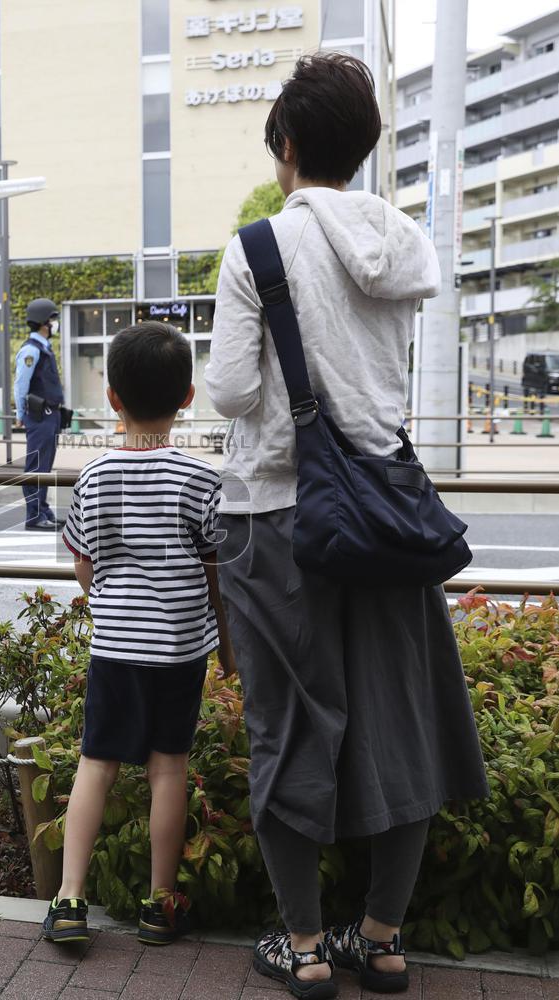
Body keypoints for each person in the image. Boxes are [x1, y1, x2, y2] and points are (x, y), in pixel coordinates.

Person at [205, 53, 489, 1000]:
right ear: (359, 150)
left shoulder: (257, 248)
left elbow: (236, 389)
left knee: (289, 727)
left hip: (280, 519)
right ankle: (381, 936)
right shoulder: (402, 239)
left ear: (285, 146)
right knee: (401, 726)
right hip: (384, 514)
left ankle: (304, 944)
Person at [42, 321, 237, 947]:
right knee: (168, 768)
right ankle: (161, 903)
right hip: (179, 648)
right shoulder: (204, 479)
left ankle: (69, 899)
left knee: (95, 764)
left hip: (116, 646)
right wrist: (228, 653)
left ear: (113, 399)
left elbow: (82, 561)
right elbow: (219, 575)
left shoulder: (94, 475)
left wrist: (106, 601)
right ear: (187, 398)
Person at [14, 298, 64, 531]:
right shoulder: (31, 350)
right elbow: (21, 385)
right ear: (44, 322)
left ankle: (43, 510)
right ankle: (34, 516)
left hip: (50, 414)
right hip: (39, 415)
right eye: (53, 319)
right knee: (36, 466)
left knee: (44, 465)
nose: (55, 324)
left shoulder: (44, 348)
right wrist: (21, 413)